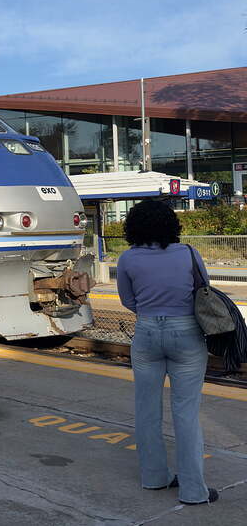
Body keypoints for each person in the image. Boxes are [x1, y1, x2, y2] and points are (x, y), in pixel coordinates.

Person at [116, 199, 219, 506]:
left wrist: (151, 314)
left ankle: (154, 478)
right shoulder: (188, 253)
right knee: (186, 413)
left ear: (132, 227)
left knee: (146, 410)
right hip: (186, 333)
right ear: (172, 226)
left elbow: (127, 300)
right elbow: (204, 291)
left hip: (147, 333)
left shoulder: (127, 259)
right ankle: (193, 491)